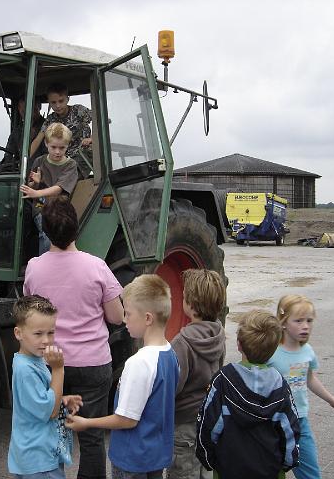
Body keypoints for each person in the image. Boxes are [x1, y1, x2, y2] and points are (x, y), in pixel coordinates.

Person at [24, 196, 124, 479]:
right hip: (93, 365)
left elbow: (30, 311)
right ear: (76, 229)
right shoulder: (96, 267)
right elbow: (117, 317)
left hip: (48, 364)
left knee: (50, 433)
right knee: (91, 438)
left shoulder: (34, 267)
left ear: (46, 230)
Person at [66, 274, 179, 479]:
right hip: (155, 455)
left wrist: (87, 423)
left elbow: (126, 420)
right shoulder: (170, 354)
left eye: (128, 314)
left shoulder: (139, 363)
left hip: (132, 459)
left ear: (147, 318)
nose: (124, 320)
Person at [196, 310, 300, 479]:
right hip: (270, 471)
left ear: (239, 344)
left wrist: (208, 459)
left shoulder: (222, 380)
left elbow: (207, 425)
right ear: (273, 350)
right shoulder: (280, 386)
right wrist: (288, 463)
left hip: (228, 469)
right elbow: (290, 431)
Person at [267, 295, 334, 479]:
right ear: (283, 322)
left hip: (299, 422)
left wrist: (332, 400)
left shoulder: (307, 352)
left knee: (311, 474)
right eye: (298, 320)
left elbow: (310, 379)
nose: (305, 325)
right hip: (272, 423)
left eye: (309, 321)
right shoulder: (270, 352)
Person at [7, 295, 83, 479]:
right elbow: (49, 412)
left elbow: (40, 400)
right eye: (38, 334)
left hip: (36, 455)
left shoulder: (33, 359)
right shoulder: (26, 369)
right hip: (39, 458)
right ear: (19, 334)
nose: (46, 340)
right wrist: (58, 370)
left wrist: (61, 400)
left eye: (51, 332)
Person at [166, 269, 226, 479]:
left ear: (190, 305)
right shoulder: (218, 333)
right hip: (207, 418)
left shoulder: (182, 343)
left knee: (183, 472)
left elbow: (173, 386)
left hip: (183, 424)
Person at [20, 122, 78, 255]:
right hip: (40, 207)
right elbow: (29, 187)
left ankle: (50, 263)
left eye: (62, 148)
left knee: (52, 233)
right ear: (46, 143)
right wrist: (35, 183)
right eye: (53, 147)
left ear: (67, 146)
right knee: (42, 228)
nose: (57, 151)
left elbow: (58, 188)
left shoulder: (71, 165)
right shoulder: (39, 161)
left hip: (60, 209)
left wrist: (36, 192)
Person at [29, 83, 92, 177]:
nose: (58, 105)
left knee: (68, 174)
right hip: (62, 158)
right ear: (49, 102)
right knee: (39, 169)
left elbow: (101, 119)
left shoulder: (79, 110)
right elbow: (38, 139)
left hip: (82, 155)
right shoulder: (50, 119)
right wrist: (25, 159)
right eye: (53, 102)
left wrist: (91, 138)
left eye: (61, 101)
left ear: (68, 99)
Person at [1, 96, 46, 171]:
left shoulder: (49, 128)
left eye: (33, 110)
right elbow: (8, 155)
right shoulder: (17, 132)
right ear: (19, 109)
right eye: (24, 111)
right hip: (20, 172)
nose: (29, 115)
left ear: (39, 107)